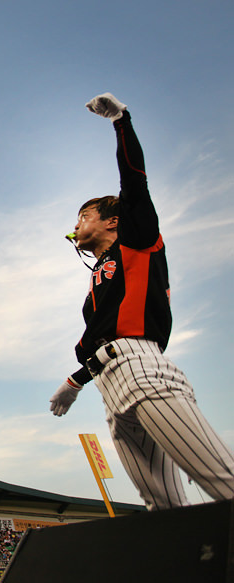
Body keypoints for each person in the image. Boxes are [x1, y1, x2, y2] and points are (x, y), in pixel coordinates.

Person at [50, 93, 234, 510]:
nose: (76, 224)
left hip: (141, 370)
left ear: (112, 221)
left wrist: (121, 121)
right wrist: (75, 382)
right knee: (163, 509)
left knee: (222, 481)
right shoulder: (102, 273)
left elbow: (134, 184)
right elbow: (103, 335)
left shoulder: (137, 240)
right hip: (110, 381)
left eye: (84, 216)